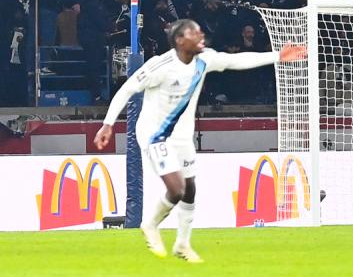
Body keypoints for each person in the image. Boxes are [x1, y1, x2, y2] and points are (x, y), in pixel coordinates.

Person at [94, 19, 307, 262]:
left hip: (183, 137)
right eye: (193, 32)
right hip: (155, 136)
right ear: (179, 41)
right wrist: (108, 124)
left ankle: (182, 244)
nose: (200, 34)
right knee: (177, 189)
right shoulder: (160, 66)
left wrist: (278, 56)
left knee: (190, 190)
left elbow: (236, 61)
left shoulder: (205, 59)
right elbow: (127, 90)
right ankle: (150, 224)